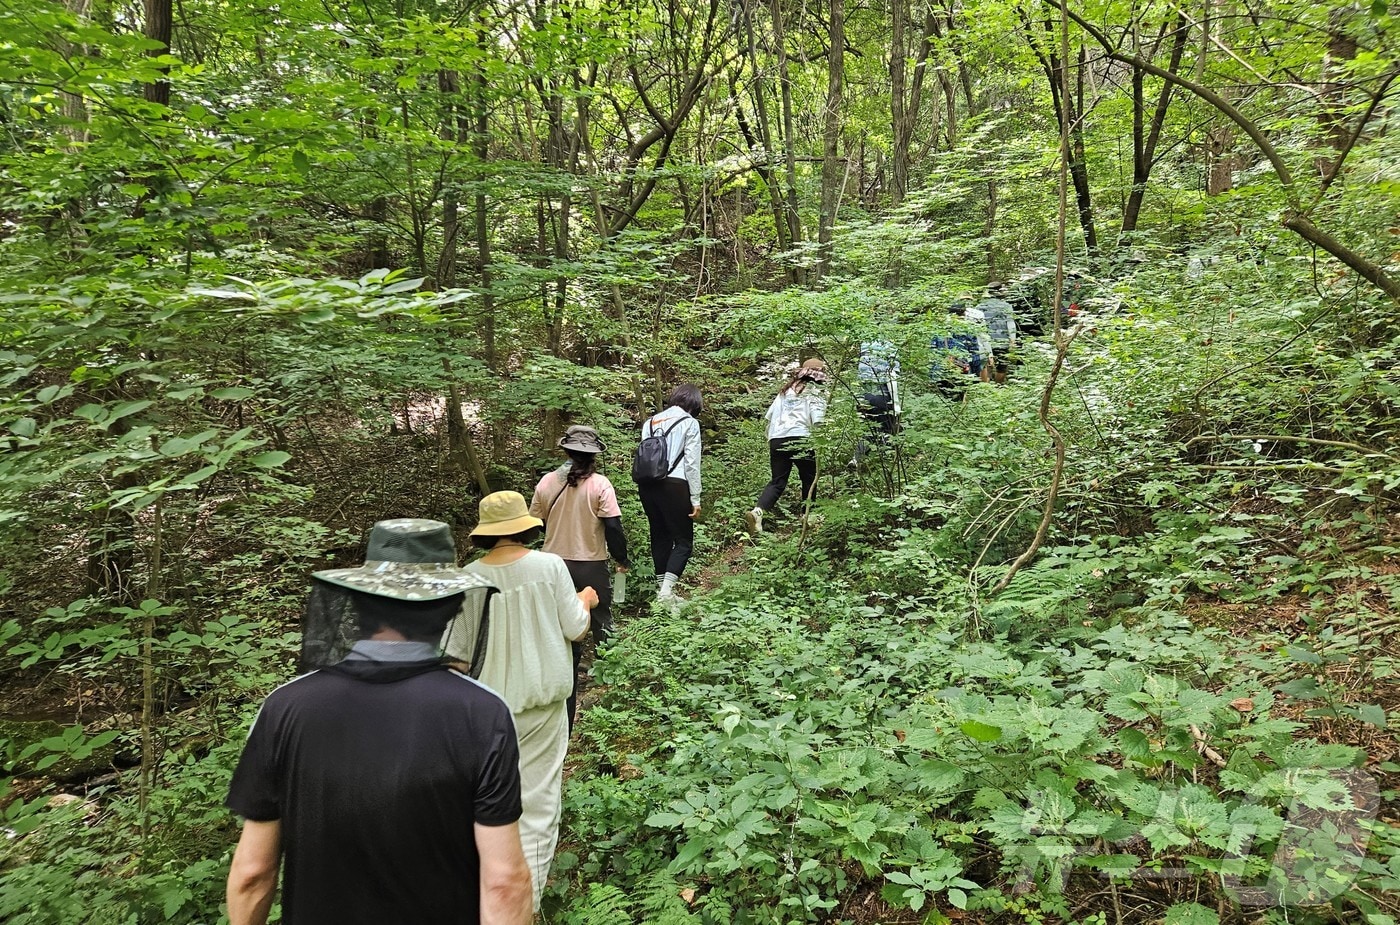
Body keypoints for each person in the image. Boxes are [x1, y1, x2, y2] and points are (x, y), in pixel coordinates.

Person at [226, 518, 533, 925]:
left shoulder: (284, 708)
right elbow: (504, 882)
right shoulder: (482, 713)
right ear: (452, 609)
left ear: (357, 604)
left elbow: (252, 873)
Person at [441, 491, 597, 912]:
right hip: (542, 707)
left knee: (485, 806)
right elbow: (576, 628)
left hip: (483, 713)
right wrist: (586, 599)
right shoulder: (550, 567)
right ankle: (524, 907)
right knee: (538, 804)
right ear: (526, 527)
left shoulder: (466, 578)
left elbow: (454, 658)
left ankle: (479, 895)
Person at [527, 424, 630, 730]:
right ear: (594, 455)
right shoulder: (600, 485)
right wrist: (622, 558)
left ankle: (561, 671)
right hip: (590, 561)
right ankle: (606, 670)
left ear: (567, 452)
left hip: (551, 562)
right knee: (599, 616)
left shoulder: (547, 482)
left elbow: (535, 522)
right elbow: (613, 527)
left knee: (556, 619)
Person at [744, 358, 827, 536]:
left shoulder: (785, 390)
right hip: (801, 437)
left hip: (777, 439)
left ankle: (758, 512)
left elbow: (769, 416)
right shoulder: (814, 390)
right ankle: (808, 517)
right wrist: (822, 440)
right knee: (809, 478)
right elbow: (818, 420)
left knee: (777, 481)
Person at [636, 384, 702, 603]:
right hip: (676, 484)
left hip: (647, 484)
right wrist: (695, 498)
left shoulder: (650, 422)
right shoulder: (690, 423)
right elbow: (692, 463)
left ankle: (662, 591)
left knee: (659, 535)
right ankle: (666, 593)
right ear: (694, 403)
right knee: (683, 541)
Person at [930, 303, 988, 401]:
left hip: (940, 371)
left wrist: (932, 373)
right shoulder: (968, 330)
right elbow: (974, 355)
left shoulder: (938, 329)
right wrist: (975, 375)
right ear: (964, 313)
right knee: (958, 401)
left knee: (945, 401)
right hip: (961, 371)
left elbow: (932, 351)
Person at [967, 283, 1018, 384]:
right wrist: (1013, 341)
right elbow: (1011, 324)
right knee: (1002, 367)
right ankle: (998, 386)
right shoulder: (1006, 306)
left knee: (986, 366)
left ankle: (988, 388)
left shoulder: (980, 307)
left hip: (985, 342)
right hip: (1003, 341)